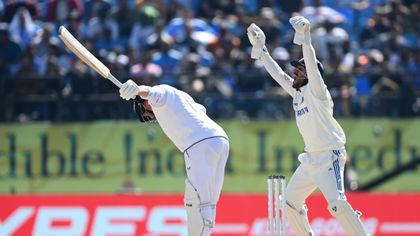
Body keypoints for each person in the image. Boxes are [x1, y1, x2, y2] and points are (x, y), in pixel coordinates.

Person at [247, 16, 369, 235]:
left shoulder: (318, 92)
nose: (295, 72)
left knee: (337, 205)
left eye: (299, 70)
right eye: (296, 69)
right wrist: (261, 49)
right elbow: (278, 75)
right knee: (289, 203)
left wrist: (305, 38)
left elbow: (312, 66)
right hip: (311, 159)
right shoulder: (297, 94)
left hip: (329, 157)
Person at [119, 81, 229, 235]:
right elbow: (201, 109)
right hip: (220, 139)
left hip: (198, 143)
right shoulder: (182, 98)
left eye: (144, 109)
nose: (147, 115)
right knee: (208, 204)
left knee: (195, 201)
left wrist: (137, 90)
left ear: (145, 104)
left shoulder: (162, 93)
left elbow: (149, 92)